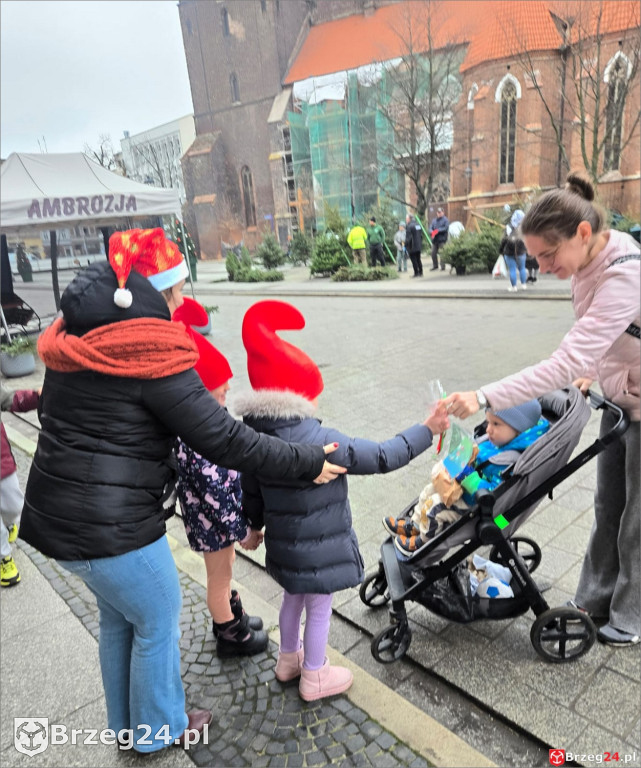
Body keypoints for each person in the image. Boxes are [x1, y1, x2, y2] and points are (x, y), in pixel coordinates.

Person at [20, 228, 347, 753]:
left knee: (118, 620)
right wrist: (306, 461)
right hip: (114, 528)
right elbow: (226, 439)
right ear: (151, 292)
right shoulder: (148, 351)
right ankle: (159, 732)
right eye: (174, 293)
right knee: (156, 621)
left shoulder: (82, 337)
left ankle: (127, 727)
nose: (179, 305)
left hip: (52, 516)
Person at [445, 171, 640, 647]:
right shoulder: (587, 262)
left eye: (548, 255)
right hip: (622, 396)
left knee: (637, 519)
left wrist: (484, 397)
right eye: (535, 257)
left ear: (583, 233)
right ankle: (593, 599)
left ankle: (632, 615)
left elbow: (562, 362)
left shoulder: (624, 275)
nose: (543, 266)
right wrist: (591, 370)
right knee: (608, 505)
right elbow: (599, 335)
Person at [234, 300, 450, 701]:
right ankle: (315, 674)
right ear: (298, 395)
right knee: (319, 606)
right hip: (321, 550)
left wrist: (253, 526)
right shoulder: (323, 441)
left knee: (292, 598)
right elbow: (383, 456)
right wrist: (427, 429)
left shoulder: (254, 440)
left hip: (285, 546)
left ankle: (288, 660)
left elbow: (251, 489)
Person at [172, 297, 268, 657]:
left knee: (226, 568)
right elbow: (214, 491)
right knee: (219, 576)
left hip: (216, 521)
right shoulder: (197, 435)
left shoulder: (209, 419)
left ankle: (231, 613)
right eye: (220, 388)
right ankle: (230, 634)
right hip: (212, 522)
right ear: (201, 392)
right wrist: (242, 530)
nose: (227, 390)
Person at [384, 400, 549, 554]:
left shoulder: (510, 461)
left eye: (496, 424)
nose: (488, 429)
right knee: (430, 489)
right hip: (462, 489)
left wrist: (468, 477)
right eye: (488, 422)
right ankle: (414, 524)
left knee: (434, 507)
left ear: (519, 428)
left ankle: (423, 542)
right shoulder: (499, 441)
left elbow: (495, 493)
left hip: (476, 505)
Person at [0, 383, 39, 587]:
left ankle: (9, 523)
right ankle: (4, 558)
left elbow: (10, 399)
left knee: (14, 506)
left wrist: (37, 397)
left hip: (2, 463)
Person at [500, 209, 528, 292]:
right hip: (521, 251)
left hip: (509, 252)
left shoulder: (508, 227)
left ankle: (514, 287)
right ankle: (523, 285)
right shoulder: (524, 227)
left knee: (512, 270)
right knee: (522, 268)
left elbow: (504, 240)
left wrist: (501, 250)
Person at [429, 207, 449, 271]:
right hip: (435, 240)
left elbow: (445, 228)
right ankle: (435, 266)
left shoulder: (445, 220)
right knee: (433, 253)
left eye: (440, 212)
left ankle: (443, 266)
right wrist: (432, 232)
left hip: (442, 239)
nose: (439, 213)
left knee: (442, 253)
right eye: (438, 212)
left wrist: (437, 231)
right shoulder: (434, 220)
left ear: (443, 212)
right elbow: (430, 227)